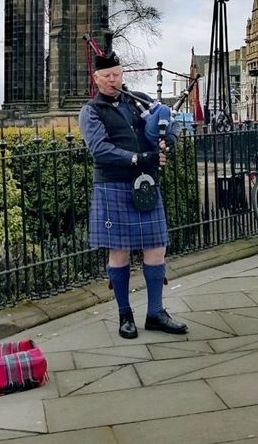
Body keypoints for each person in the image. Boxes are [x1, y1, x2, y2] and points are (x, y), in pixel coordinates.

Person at [79, 50, 188, 339]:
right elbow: (99, 149)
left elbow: (169, 120)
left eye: (116, 74)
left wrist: (168, 142)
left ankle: (155, 313)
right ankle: (125, 315)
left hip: (146, 185)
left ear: (122, 74)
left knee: (156, 248)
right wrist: (140, 158)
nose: (112, 80)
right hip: (113, 185)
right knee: (119, 251)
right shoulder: (91, 111)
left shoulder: (137, 99)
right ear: (96, 78)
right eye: (107, 76)